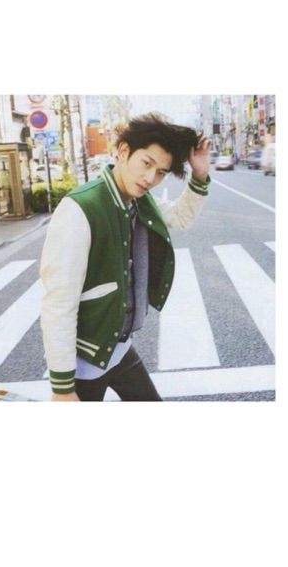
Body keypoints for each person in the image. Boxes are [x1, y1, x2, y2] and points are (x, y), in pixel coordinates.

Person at [39, 112, 212, 401]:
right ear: (123, 151)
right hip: (85, 364)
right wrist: (63, 389)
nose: (150, 178)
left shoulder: (137, 201)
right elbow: (58, 303)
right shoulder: (80, 208)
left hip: (118, 351)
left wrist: (200, 175)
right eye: (146, 163)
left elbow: (180, 217)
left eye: (160, 173)